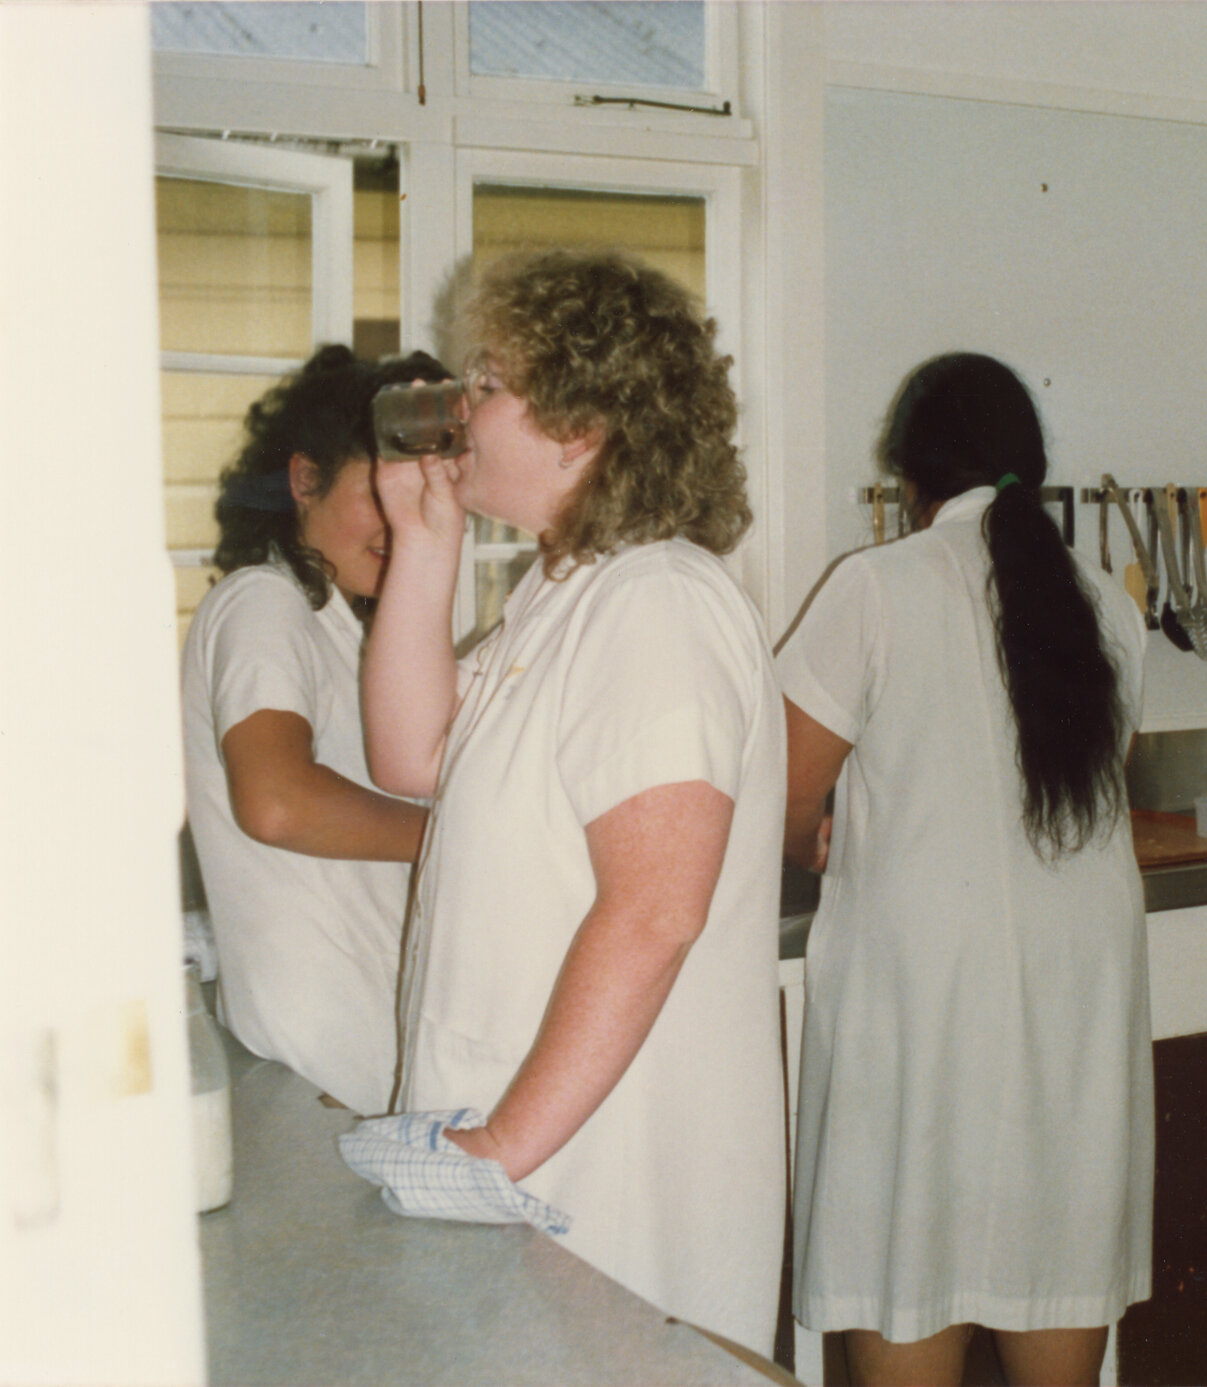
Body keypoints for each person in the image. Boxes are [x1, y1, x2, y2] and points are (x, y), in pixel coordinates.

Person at [363, 249, 786, 1355]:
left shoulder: (656, 602)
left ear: (582, 421)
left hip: (602, 1182)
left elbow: (655, 911)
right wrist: (425, 542)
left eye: (487, 382)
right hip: (528, 1159)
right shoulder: (564, 591)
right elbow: (414, 755)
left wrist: (500, 1146)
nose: (459, 410)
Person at [779, 353, 1154, 1387]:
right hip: (1074, 986)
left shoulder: (874, 586)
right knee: (1056, 1256)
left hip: (922, 994)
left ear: (910, 475)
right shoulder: (1105, 607)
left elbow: (785, 790)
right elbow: (1089, 784)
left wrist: (818, 831)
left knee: (909, 1254)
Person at [181, 344, 440, 1114]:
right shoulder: (264, 601)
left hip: (360, 1069)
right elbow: (277, 800)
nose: (407, 519)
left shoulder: (343, 632)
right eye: (380, 488)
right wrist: (458, 832)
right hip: (320, 1074)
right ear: (304, 480)